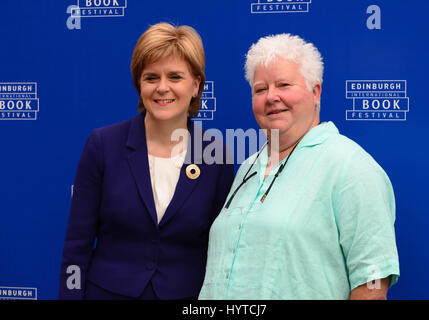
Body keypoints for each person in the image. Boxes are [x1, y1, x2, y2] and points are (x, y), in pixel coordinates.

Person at [199, 33, 400, 300]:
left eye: (283, 85)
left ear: (315, 91)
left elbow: (371, 286)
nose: (271, 97)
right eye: (260, 89)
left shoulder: (351, 168)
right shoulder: (248, 168)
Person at [59, 22, 234, 300]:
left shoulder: (218, 156)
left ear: (196, 85)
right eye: (151, 77)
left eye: (175, 77)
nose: (162, 88)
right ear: (139, 84)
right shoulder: (103, 145)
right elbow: (77, 245)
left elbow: (221, 251)